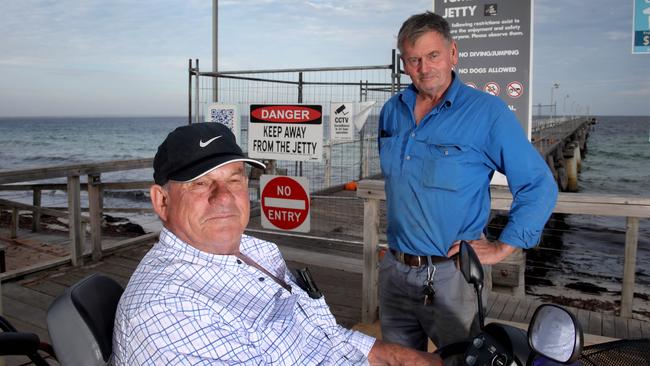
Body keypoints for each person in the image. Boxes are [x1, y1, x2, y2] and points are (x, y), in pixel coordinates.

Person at [113, 122, 441, 365]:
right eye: (200, 183)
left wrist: (401, 357)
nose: (224, 196)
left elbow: (318, 332)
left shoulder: (257, 250)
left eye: (235, 179)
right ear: (162, 202)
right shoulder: (166, 311)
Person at [377, 11, 558, 356]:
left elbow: (538, 185)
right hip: (395, 271)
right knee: (397, 362)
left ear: (453, 54)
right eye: (414, 60)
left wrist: (504, 246)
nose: (424, 68)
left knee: (462, 361)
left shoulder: (487, 113)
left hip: (453, 278)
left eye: (433, 56)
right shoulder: (392, 111)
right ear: (404, 63)